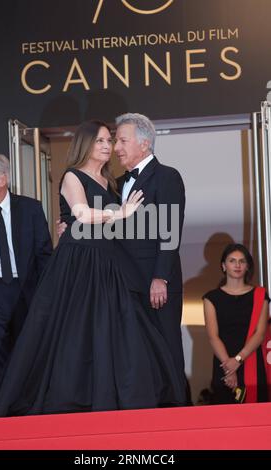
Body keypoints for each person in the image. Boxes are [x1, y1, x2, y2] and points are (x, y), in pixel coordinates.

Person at [0, 120, 186, 418]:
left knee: (109, 332)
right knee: (72, 333)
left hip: (106, 265)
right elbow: (80, 212)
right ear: (86, 145)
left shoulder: (111, 182)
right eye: (101, 141)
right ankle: (68, 399)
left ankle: (110, 398)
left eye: (110, 141)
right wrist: (117, 212)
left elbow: (128, 228)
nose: (108, 147)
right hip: (78, 265)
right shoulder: (72, 176)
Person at [114, 113, 187, 404]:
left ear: (144, 144)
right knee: (137, 353)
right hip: (126, 284)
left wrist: (161, 277)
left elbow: (170, 230)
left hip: (157, 283)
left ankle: (179, 417)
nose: (116, 147)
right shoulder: (117, 183)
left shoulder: (167, 176)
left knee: (167, 349)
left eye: (122, 140)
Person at [0, 154, 52, 394]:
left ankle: (27, 411)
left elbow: (44, 256)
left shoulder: (30, 208)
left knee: (28, 355)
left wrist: (46, 298)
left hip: (26, 292)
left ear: (3, 179)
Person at [203, 243, 269, 404]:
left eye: (242, 261)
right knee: (225, 417)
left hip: (251, 359)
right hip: (223, 364)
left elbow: (260, 334)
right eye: (232, 261)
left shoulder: (260, 295)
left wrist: (238, 360)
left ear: (247, 267)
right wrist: (229, 367)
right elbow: (213, 336)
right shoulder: (211, 298)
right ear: (224, 266)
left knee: (256, 416)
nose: (237, 265)